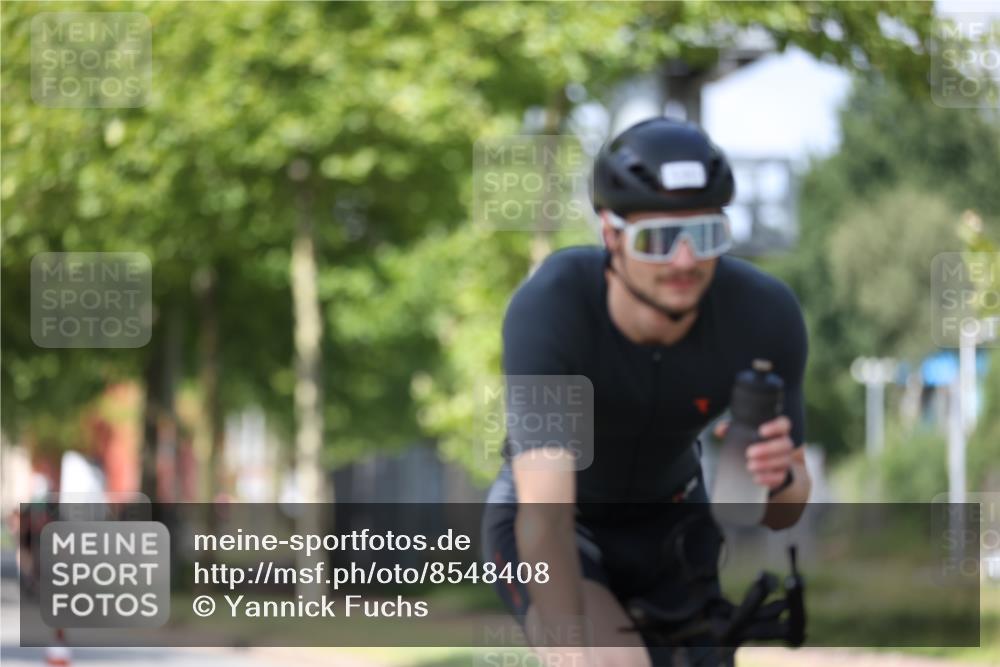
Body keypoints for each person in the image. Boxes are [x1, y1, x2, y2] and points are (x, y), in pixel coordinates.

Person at [481, 117, 811, 667]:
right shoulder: (554, 308)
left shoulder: (763, 316)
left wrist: (776, 480)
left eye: (705, 236)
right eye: (657, 241)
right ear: (611, 236)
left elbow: (782, 512)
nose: (684, 261)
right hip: (561, 524)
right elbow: (547, 517)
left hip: (674, 525)